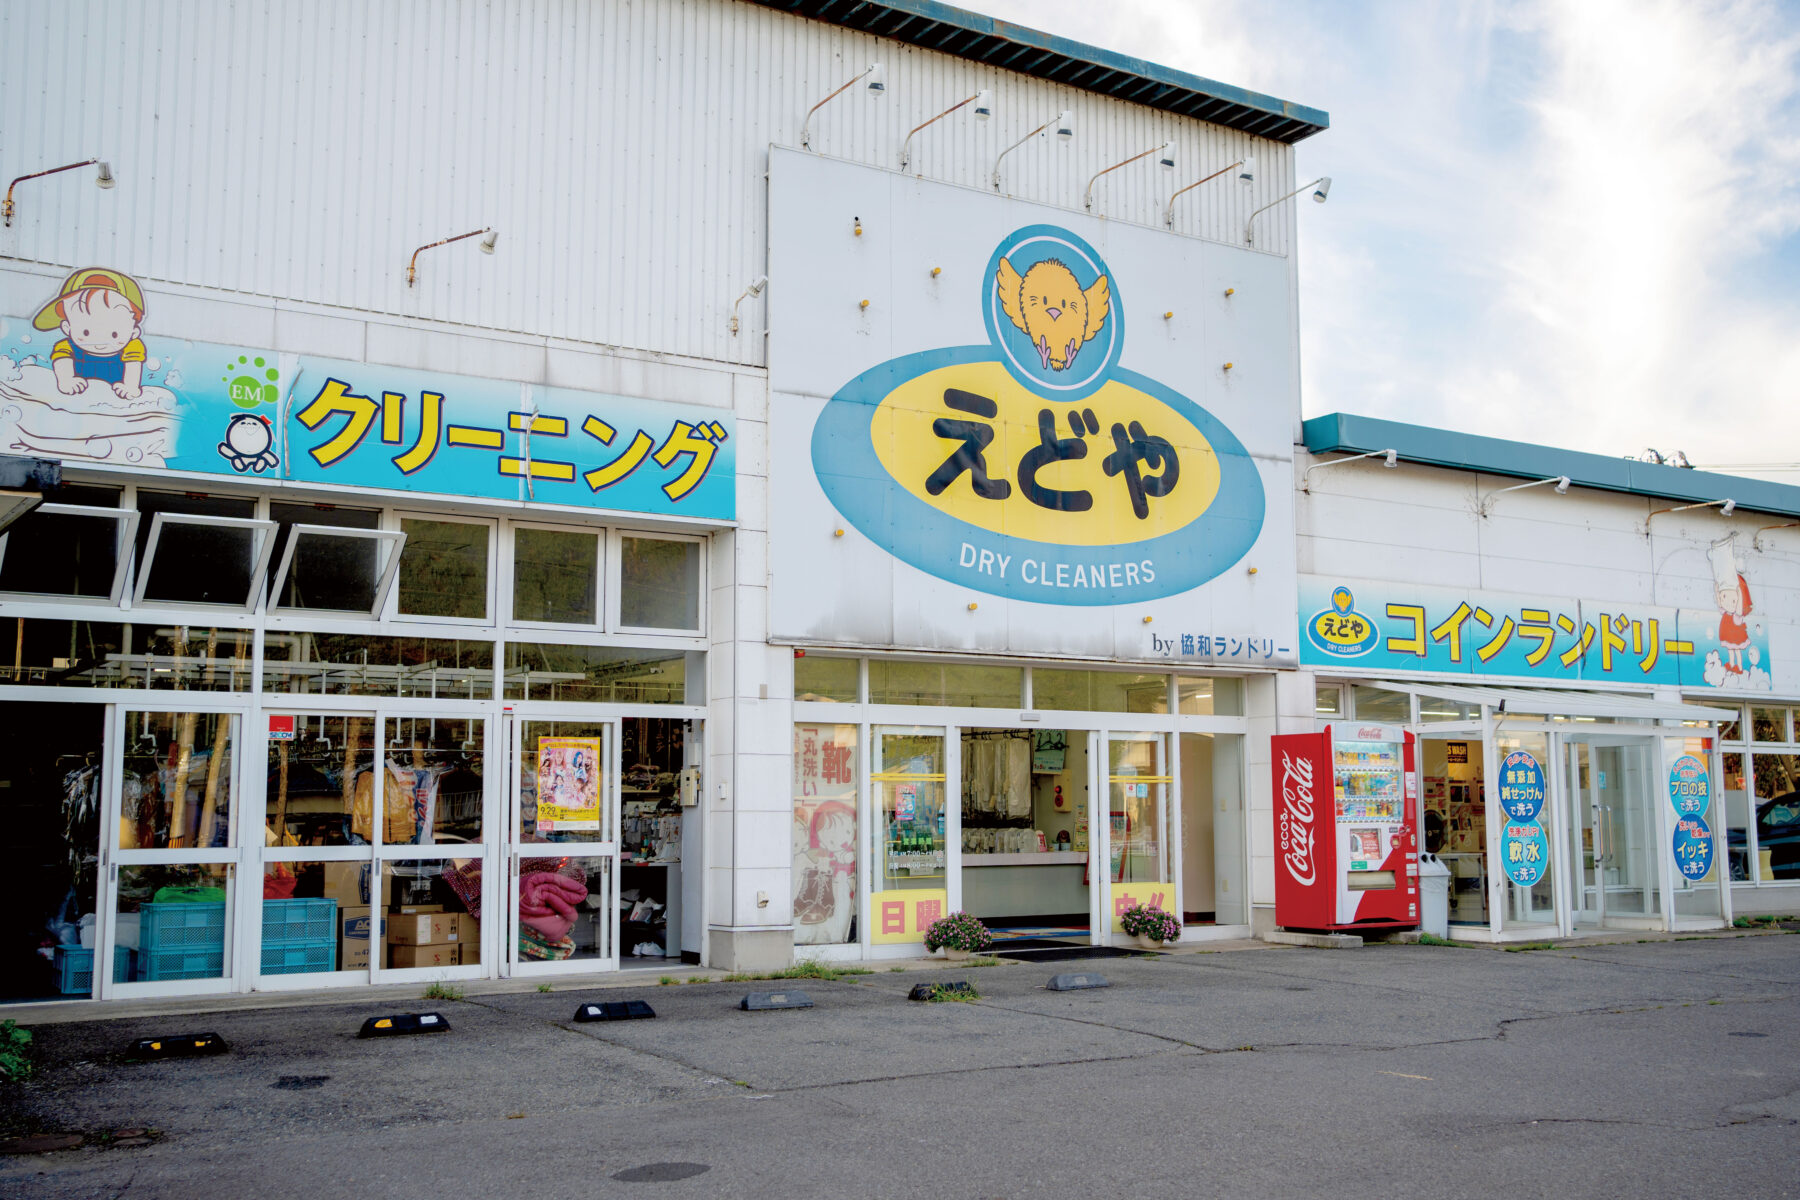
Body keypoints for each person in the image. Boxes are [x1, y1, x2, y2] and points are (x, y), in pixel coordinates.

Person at [32, 267, 150, 399]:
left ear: (134, 332)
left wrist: (131, 387)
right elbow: (62, 362)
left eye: (114, 334)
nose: (100, 343)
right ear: (67, 328)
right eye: (86, 332)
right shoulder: (66, 346)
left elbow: (133, 366)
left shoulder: (133, 347)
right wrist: (65, 381)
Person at [1717, 573, 1753, 675]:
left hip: (1736, 639)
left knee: (1737, 651)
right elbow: (1720, 604)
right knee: (1730, 651)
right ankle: (1732, 664)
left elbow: (1739, 611)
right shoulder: (1725, 612)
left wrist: (1740, 594)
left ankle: (1740, 667)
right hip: (1729, 638)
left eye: (1733, 600)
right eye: (1724, 596)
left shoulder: (1736, 615)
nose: (1728, 603)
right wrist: (1717, 591)